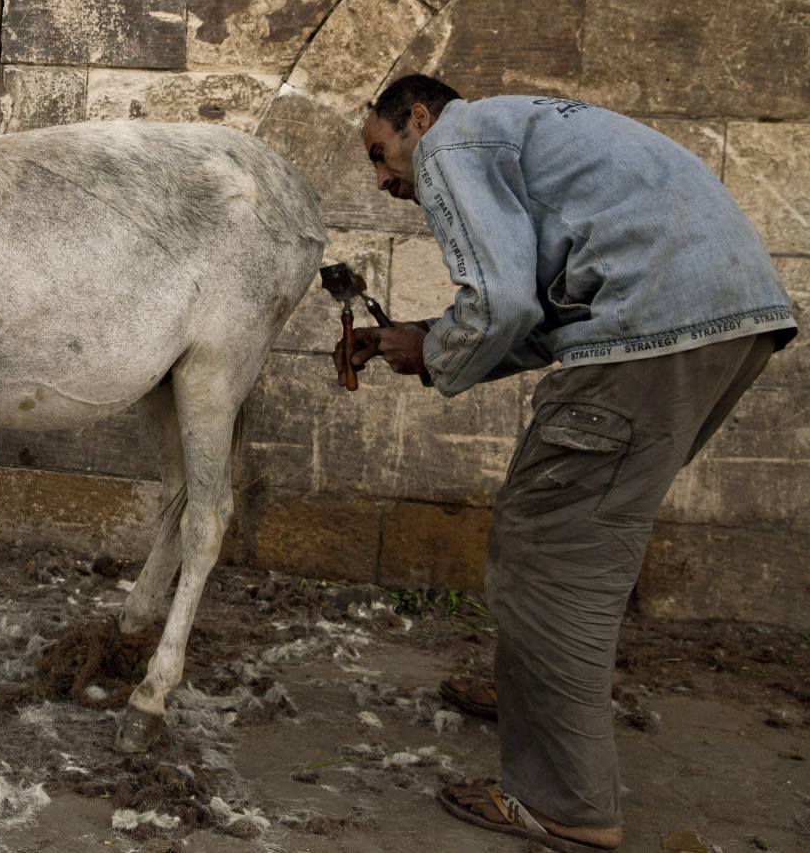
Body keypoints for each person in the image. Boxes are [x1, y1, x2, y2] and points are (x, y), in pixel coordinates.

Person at [339, 75, 796, 853]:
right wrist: (426, 339)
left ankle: (565, 804)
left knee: (552, 547)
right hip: (727, 322)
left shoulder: (454, 141)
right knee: (586, 533)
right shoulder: (526, 133)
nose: (383, 181)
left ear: (417, 119)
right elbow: (544, 315)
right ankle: (534, 701)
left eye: (381, 155)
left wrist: (440, 352)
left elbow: (501, 304)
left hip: (652, 329)